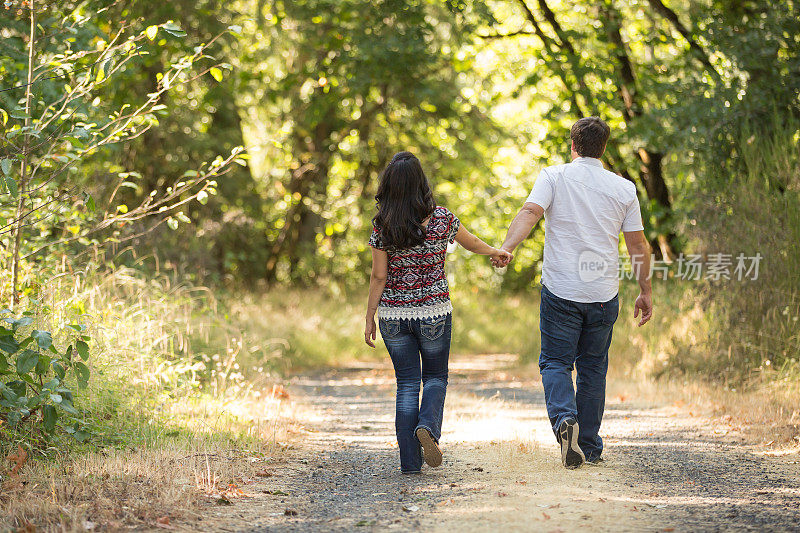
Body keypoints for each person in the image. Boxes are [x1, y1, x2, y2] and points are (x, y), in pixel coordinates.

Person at [496, 117, 654, 469]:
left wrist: (507, 247)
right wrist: (645, 290)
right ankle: (588, 446)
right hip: (602, 294)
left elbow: (530, 212)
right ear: (604, 149)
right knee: (594, 368)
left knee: (555, 362)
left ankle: (565, 419)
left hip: (561, 291)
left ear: (573, 146)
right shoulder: (624, 188)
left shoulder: (553, 176)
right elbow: (637, 245)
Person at [364, 151, 511, 475]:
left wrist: (369, 315)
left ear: (389, 186)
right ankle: (428, 427)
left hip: (393, 316)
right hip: (434, 312)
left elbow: (379, 276)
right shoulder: (442, 218)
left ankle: (409, 464)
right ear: (421, 184)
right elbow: (471, 243)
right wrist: (497, 251)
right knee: (435, 377)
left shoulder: (382, 225)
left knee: (406, 383)